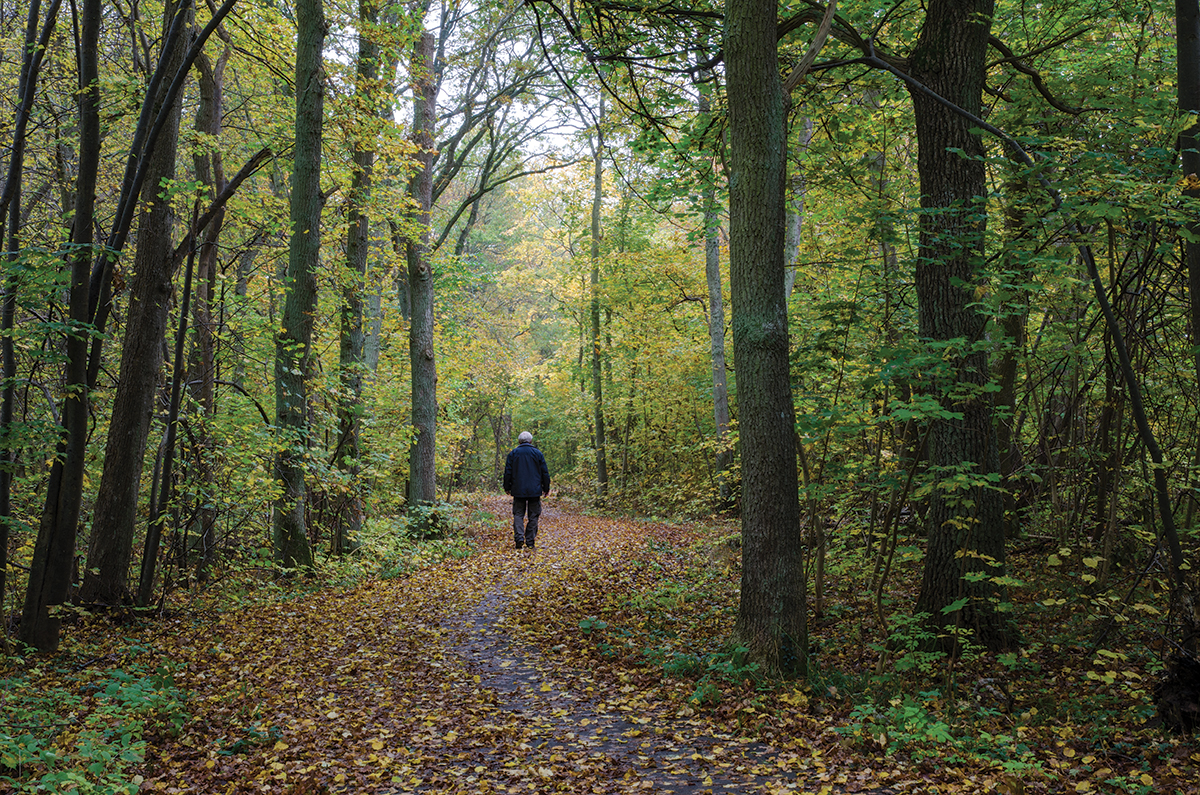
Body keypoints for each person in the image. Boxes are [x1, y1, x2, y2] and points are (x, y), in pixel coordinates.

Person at [502, 431, 550, 550]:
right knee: (533, 515)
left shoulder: (513, 454)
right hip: (535, 490)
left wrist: (507, 487)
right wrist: (546, 488)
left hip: (518, 489)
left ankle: (519, 538)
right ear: (530, 441)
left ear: (519, 441)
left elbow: (507, 472)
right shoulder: (537, 453)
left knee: (518, 514)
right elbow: (545, 472)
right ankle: (530, 541)